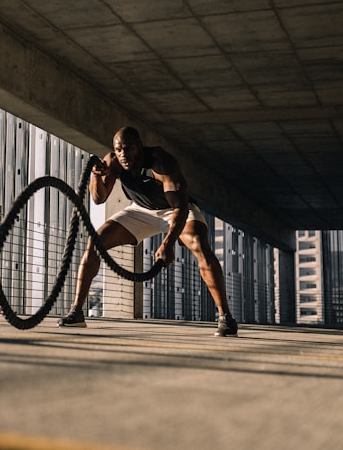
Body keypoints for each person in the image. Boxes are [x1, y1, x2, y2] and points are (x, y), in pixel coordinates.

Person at [58, 126, 238, 337]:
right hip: (141, 210)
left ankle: (225, 317)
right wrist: (96, 176)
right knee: (96, 242)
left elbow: (180, 207)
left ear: (140, 148)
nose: (124, 154)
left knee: (200, 245)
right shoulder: (114, 161)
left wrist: (168, 244)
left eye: (129, 148)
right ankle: (77, 311)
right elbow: (99, 198)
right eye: (119, 149)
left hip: (175, 210)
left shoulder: (161, 162)